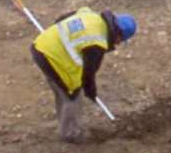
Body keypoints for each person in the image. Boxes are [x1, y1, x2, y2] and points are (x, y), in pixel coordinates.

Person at [31, 7, 136, 143]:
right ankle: (70, 134)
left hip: (41, 44)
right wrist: (91, 92)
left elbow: (63, 18)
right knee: (73, 94)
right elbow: (88, 74)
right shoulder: (97, 43)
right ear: (119, 35)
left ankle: (64, 122)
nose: (118, 44)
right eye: (120, 41)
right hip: (51, 57)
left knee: (62, 89)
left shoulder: (91, 15)